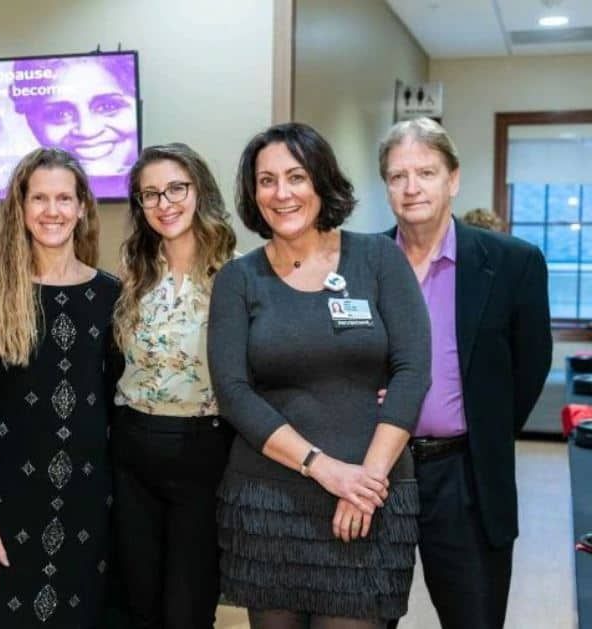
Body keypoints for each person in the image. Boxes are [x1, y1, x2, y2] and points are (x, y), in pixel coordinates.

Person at [208, 122, 431, 628]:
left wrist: (365, 482)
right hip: (269, 501)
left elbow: (413, 370)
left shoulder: (378, 259)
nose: (282, 193)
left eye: (296, 176)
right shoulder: (238, 279)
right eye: (267, 181)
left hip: (369, 493)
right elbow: (234, 393)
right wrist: (324, 469)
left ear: (321, 181)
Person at [380, 117, 552, 628]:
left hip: (464, 475)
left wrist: (485, 428)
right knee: (363, 617)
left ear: (453, 179)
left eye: (425, 173)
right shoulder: (362, 262)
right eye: (397, 176)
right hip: (377, 472)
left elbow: (530, 365)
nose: (411, 187)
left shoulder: (513, 262)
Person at [0, 147, 121, 627]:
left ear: (82, 207)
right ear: (21, 208)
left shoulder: (110, 295)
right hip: (10, 502)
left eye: (64, 198)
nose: (53, 211)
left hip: (90, 501)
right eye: (40, 198)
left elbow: (115, 409)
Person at [110, 143, 236, 628]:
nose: (164, 203)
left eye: (176, 189)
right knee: (137, 604)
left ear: (199, 190)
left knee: (188, 608)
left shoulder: (237, 273)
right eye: (150, 194)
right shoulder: (132, 271)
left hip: (203, 453)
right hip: (131, 451)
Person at [10, 55, 138, 198]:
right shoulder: (10, 202)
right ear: (30, 119)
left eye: (108, 106)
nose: (87, 131)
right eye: (60, 114)